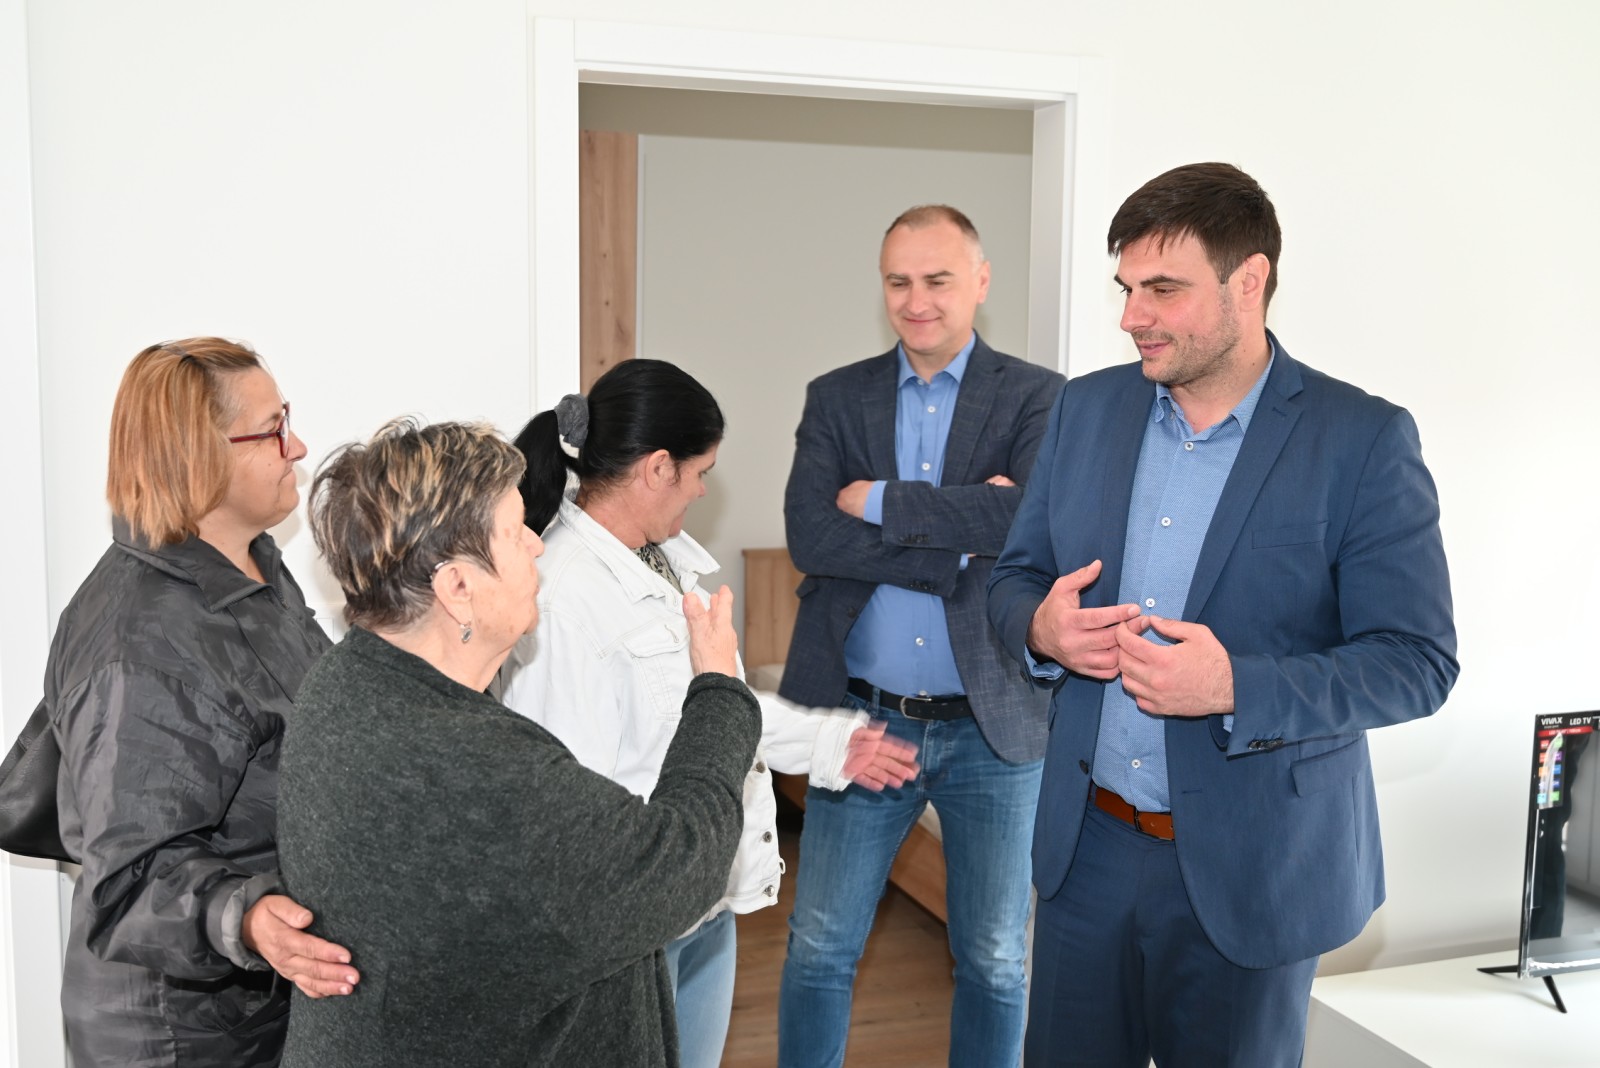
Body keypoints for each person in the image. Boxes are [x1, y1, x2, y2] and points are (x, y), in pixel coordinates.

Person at [987, 162, 1459, 1066]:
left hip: (1257, 870)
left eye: (1163, 289)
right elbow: (1016, 578)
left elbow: (1417, 662)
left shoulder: (1360, 439)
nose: (1133, 316)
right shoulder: (1085, 409)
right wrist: (1043, 630)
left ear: (1250, 282)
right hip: (1085, 856)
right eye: (1126, 288)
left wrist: (1235, 685)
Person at [277, 418, 762, 1068]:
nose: (537, 544)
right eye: (515, 532)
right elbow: (683, 863)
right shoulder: (483, 767)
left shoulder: (339, 683)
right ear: (457, 588)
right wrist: (718, 688)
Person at [498, 358, 921, 1068]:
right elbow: (570, 806)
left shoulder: (662, 562)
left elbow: (711, 708)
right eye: (699, 473)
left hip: (701, 904)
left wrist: (827, 742)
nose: (701, 490)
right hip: (632, 930)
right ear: (657, 467)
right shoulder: (564, 595)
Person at [777, 205, 1065, 1067]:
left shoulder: (1039, 396)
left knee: (997, 960)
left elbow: (1028, 522)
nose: (916, 300)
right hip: (863, 720)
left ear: (980, 280)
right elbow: (810, 537)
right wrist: (954, 548)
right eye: (898, 281)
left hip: (993, 725)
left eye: (938, 279)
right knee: (819, 948)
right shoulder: (836, 396)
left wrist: (876, 501)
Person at [45, 338, 359, 1068]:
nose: (297, 447)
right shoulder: (142, 643)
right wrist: (245, 917)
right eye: (273, 430)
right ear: (200, 456)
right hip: (179, 1035)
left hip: (256, 1010)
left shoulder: (254, 569)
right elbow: (129, 878)